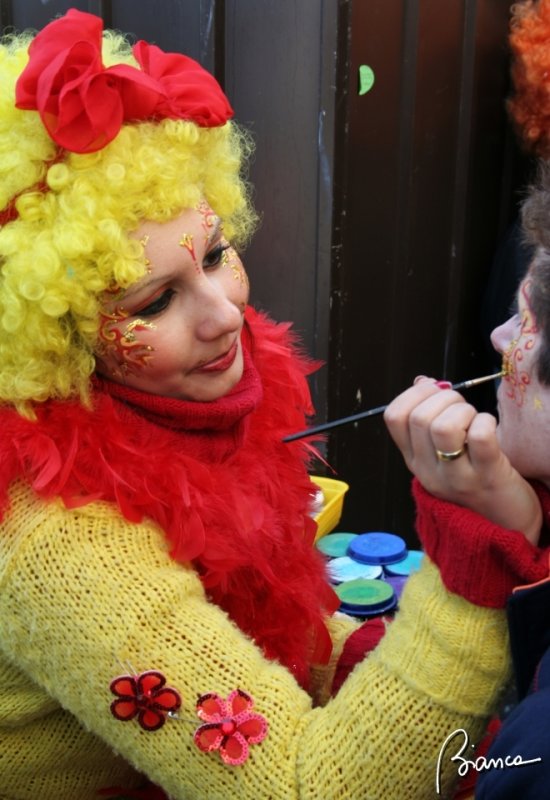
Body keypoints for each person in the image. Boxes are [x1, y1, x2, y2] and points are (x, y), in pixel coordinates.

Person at [0, 8, 540, 800]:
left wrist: (361, 667)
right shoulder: (61, 545)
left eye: (216, 254)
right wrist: (471, 564)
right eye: (152, 303)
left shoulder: (190, 399)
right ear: (53, 337)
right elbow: (300, 792)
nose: (224, 315)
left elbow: (259, 614)